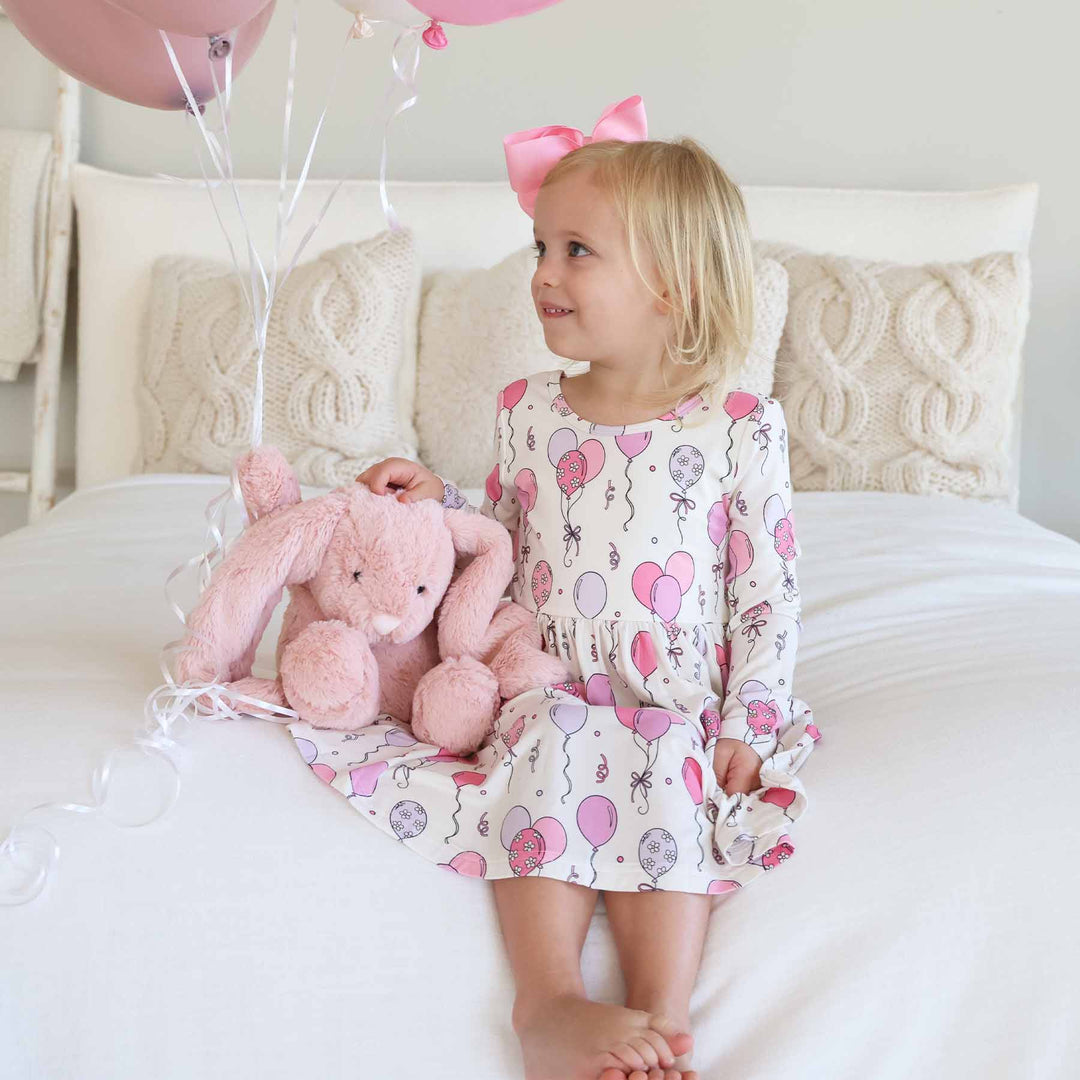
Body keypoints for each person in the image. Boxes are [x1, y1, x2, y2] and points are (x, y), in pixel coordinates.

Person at [356, 97, 821, 1080]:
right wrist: (439, 507)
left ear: (671, 284)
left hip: (677, 694)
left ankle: (659, 1016)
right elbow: (509, 535)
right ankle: (550, 1005)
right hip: (555, 674)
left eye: (577, 251)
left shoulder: (738, 424)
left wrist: (750, 717)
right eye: (539, 248)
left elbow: (767, 591)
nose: (543, 276)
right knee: (546, 755)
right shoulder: (528, 410)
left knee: (667, 775)